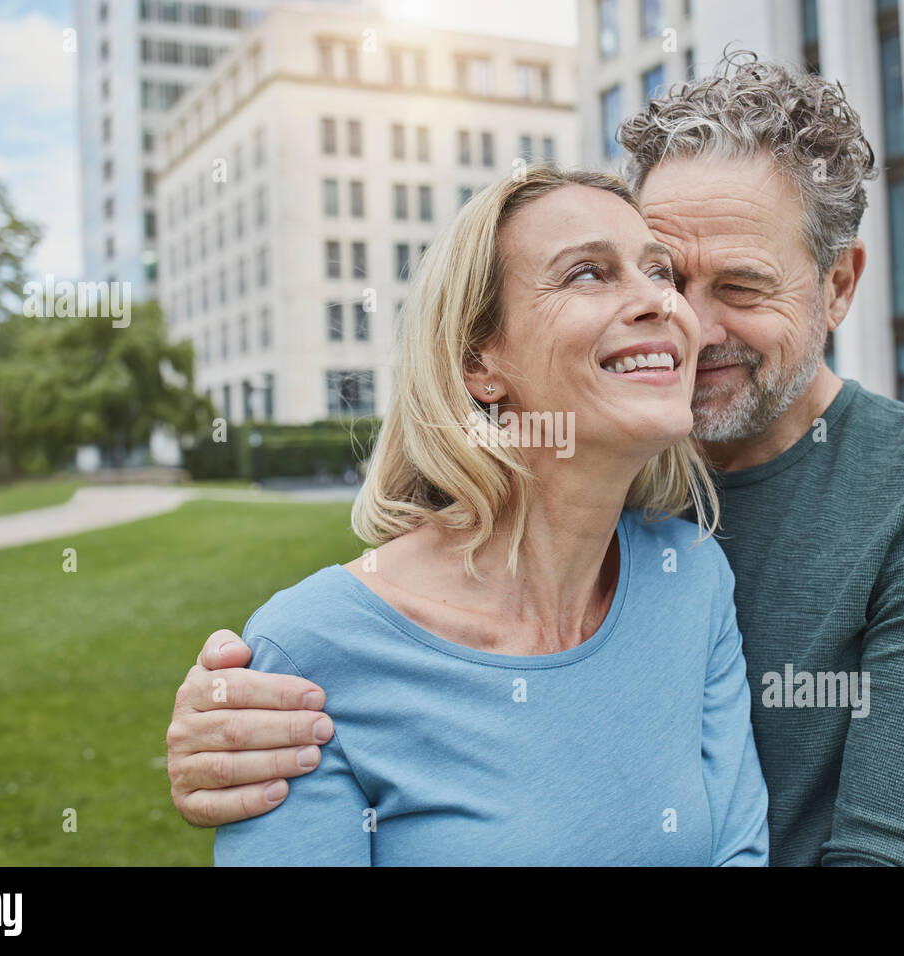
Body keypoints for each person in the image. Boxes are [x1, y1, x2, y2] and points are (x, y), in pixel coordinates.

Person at [168, 52, 904, 866]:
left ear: (840, 286)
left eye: (738, 288)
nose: (686, 326)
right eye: (661, 272)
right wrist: (233, 724)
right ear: (483, 361)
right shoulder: (593, 451)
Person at [211, 165, 769, 865]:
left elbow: (738, 854)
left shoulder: (691, 577)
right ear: (481, 363)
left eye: (659, 272)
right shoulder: (310, 647)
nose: (660, 302)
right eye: (588, 274)